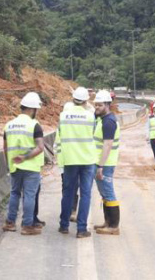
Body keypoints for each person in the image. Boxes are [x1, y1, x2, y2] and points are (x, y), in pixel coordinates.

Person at [56, 86, 97, 238]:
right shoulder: (90, 116)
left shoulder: (63, 116)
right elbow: (93, 134)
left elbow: (60, 135)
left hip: (70, 159)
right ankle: (81, 229)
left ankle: (64, 225)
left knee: (68, 193)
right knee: (85, 194)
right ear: (86, 100)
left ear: (73, 99)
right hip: (87, 160)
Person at [2, 92, 46, 235]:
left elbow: (5, 148)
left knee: (14, 193)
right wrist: (25, 157)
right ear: (32, 109)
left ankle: (10, 223)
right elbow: (40, 147)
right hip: (30, 167)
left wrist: (8, 163)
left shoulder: (9, 125)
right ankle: (27, 226)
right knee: (29, 195)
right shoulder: (35, 125)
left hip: (14, 166)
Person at [92, 90, 121, 235]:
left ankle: (113, 226)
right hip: (102, 162)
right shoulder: (102, 119)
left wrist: (100, 166)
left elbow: (107, 145)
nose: (96, 107)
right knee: (104, 192)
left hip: (105, 163)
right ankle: (107, 222)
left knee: (108, 192)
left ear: (107, 105)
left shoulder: (108, 122)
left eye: (99, 105)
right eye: (95, 104)